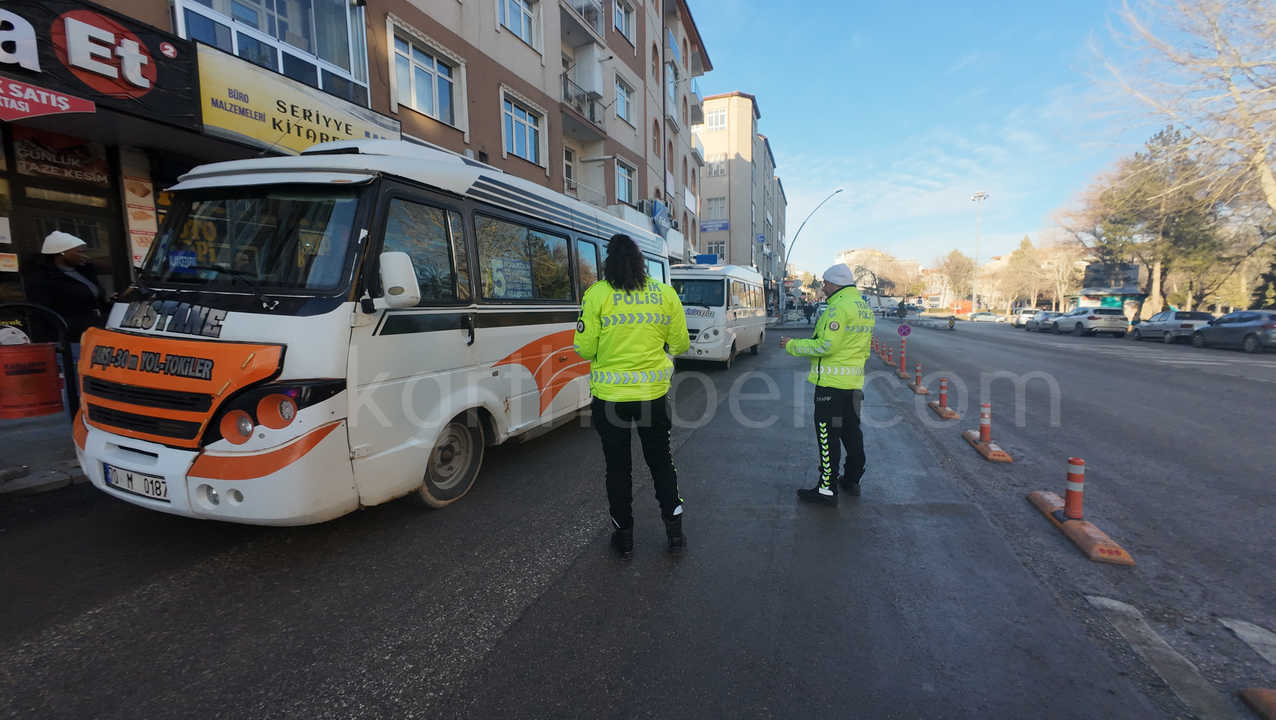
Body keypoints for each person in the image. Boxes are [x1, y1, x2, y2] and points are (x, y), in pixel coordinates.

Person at [574, 234, 690, 558]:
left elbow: (584, 348)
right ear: (641, 261)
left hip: (610, 399)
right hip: (652, 397)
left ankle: (623, 537)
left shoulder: (597, 295)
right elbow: (680, 344)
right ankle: (675, 531)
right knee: (661, 462)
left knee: (618, 467)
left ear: (608, 262)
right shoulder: (664, 294)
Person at [778, 263, 875, 506]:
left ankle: (826, 489)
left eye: (825, 283)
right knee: (851, 432)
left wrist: (791, 345)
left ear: (834, 284)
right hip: (853, 383)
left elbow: (825, 345)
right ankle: (852, 478)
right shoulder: (863, 307)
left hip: (832, 385)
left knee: (827, 434)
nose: (823, 287)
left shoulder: (837, 309)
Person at [25, 231, 108, 343]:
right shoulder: (43, 278)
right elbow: (43, 313)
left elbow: (95, 300)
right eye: (80, 252)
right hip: (68, 339)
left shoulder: (86, 271)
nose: (85, 256)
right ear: (62, 252)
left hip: (95, 332)